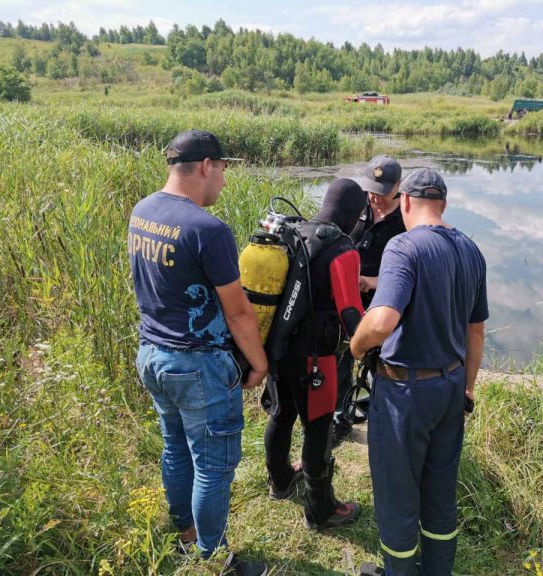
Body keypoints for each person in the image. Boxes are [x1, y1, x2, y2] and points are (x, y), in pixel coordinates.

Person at [129, 130, 269, 575]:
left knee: (175, 447)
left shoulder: (143, 210)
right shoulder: (208, 230)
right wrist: (260, 362)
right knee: (212, 464)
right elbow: (240, 313)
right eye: (224, 169)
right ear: (207, 165)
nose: (225, 180)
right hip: (196, 364)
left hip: (152, 353)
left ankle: (187, 538)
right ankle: (214, 559)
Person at [350, 169, 488, 576]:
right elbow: (475, 330)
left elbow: (381, 322)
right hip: (451, 386)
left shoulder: (403, 247)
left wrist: (357, 347)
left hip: (405, 394)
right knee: (440, 492)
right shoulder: (470, 249)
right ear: (442, 204)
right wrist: (467, 387)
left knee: (397, 496)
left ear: (405, 201)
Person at [263, 178, 366, 529]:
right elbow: (352, 313)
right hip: (316, 362)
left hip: (278, 350)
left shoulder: (294, 233)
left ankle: (279, 481)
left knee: (280, 414)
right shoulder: (343, 250)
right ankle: (321, 510)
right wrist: (371, 344)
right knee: (318, 430)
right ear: (353, 212)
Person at [333, 155, 406, 441]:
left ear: (398, 187)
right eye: (371, 189)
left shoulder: (407, 218)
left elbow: (413, 270)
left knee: (384, 363)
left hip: (385, 304)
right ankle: (341, 416)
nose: (375, 197)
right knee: (341, 358)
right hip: (348, 300)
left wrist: (373, 282)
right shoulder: (358, 207)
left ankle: (386, 420)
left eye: (382, 191)